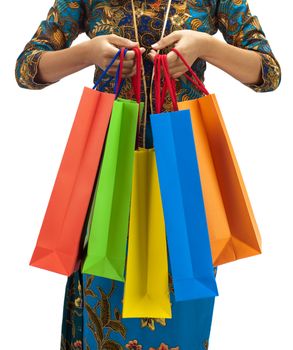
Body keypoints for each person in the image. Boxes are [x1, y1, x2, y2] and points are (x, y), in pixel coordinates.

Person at [15, 1, 281, 349]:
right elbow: (28, 69)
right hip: (110, 170)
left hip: (184, 172)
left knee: (183, 306)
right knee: (105, 299)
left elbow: (268, 73)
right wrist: (89, 53)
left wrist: (205, 46)